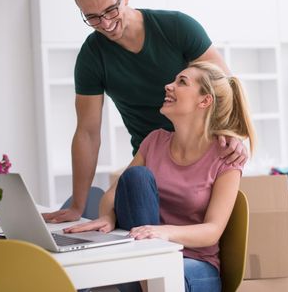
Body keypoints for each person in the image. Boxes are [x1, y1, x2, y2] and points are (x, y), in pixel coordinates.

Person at [43, 0, 248, 224]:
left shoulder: (176, 28)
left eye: (110, 10)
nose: (105, 23)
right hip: (150, 160)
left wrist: (232, 134)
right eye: (92, 17)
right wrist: (77, 205)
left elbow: (225, 86)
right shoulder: (93, 56)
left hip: (200, 159)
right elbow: (87, 132)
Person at [64, 61, 256, 292]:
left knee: (153, 273)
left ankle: (149, 275)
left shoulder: (225, 157)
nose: (168, 86)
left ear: (204, 101)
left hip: (193, 264)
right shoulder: (154, 141)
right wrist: (107, 216)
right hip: (143, 260)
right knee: (136, 177)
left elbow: (212, 230)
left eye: (181, 82)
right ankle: (149, 275)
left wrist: (163, 233)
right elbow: (112, 194)